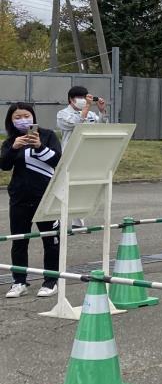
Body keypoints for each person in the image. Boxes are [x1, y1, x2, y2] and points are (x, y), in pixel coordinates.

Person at [1, 103, 62, 298]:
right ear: (11, 121)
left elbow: (58, 160)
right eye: (17, 117)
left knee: (51, 240)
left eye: (26, 115)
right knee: (19, 241)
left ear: (33, 117)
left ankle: (51, 281)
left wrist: (39, 146)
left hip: (46, 197)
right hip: (19, 198)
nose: (22, 120)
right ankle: (19, 282)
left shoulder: (47, 135)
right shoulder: (10, 141)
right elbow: (4, 165)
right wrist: (14, 148)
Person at [56, 86, 107, 228]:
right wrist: (86, 109)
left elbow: (101, 127)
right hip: (69, 155)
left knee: (81, 190)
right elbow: (74, 124)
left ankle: (78, 222)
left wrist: (102, 111)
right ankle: (57, 221)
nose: (84, 101)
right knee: (64, 189)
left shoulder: (91, 114)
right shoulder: (63, 114)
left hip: (86, 154)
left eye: (85, 98)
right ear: (71, 99)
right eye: (80, 98)